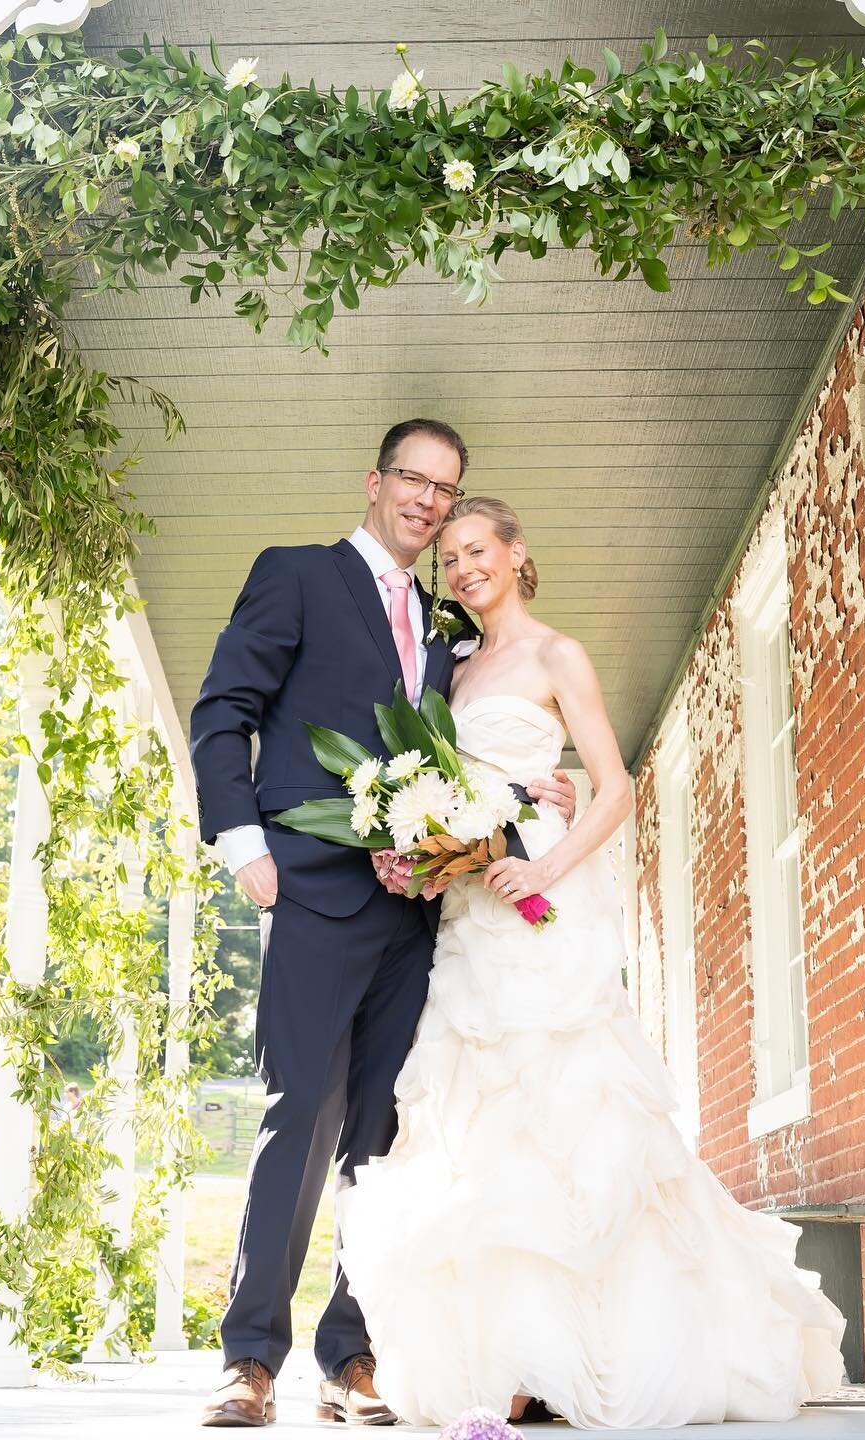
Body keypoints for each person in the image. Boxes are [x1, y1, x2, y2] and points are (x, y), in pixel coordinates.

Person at [337, 497, 847, 1429]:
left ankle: (591, 1351)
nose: (462, 569)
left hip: (540, 900)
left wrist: (543, 859)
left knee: (568, 1105)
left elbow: (612, 789)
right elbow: (444, 784)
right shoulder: (448, 673)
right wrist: (421, 847)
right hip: (468, 913)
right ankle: (516, 1358)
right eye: (448, 558)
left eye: (476, 550)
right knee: (479, 1113)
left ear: (516, 553)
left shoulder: (555, 654)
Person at [189, 424, 576, 1427]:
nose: (429, 500)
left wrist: (533, 791)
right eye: (413, 478)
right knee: (295, 1117)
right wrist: (244, 848)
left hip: (418, 911)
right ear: (375, 481)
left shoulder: (446, 628)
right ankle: (250, 1359)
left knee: (380, 1130)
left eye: (447, 489)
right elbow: (223, 707)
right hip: (313, 889)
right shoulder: (298, 576)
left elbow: (457, 760)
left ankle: (349, 1356)